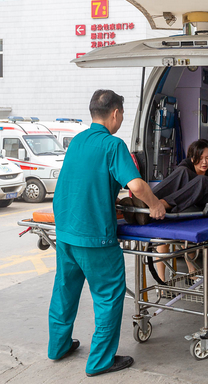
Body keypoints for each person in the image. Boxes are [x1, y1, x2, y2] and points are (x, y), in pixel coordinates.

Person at [48, 90, 166, 377]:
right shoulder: (113, 145)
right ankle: (100, 361)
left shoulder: (77, 141)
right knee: (108, 295)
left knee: (65, 290)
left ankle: (58, 347)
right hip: (94, 235)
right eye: (122, 114)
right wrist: (155, 205)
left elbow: (83, 182)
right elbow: (136, 186)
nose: (121, 119)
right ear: (115, 113)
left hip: (66, 230)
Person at [148, 139, 208, 281]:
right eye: (200, 158)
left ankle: (191, 271)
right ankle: (161, 282)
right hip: (176, 204)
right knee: (163, 235)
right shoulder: (185, 167)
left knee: (186, 222)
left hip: (192, 206)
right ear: (192, 158)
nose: (204, 162)